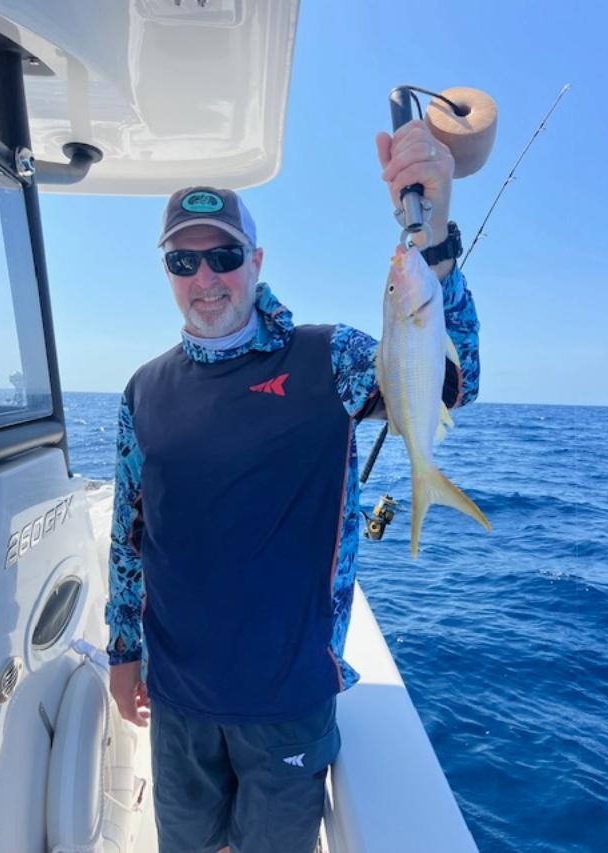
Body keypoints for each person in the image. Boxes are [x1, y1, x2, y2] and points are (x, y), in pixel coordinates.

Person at [104, 120, 481, 853]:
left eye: (224, 256)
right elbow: (129, 533)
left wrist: (434, 242)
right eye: (184, 260)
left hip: (287, 702)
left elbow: (453, 381)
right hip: (177, 698)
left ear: (256, 260)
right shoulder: (142, 390)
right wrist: (122, 651)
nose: (205, 278)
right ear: (168, 270)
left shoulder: (330, 357)